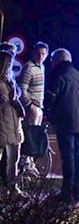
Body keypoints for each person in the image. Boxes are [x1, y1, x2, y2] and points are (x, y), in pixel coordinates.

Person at [44, 49, 79, 204]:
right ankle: (76, 191)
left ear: (58, 60)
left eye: (52, 60)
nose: (51, 63)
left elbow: (50, 99)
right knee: (77, 156)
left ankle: (66, 193)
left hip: (65, 123)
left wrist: (47, 114)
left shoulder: (58, 75)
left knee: (68, 158)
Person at [16, 42, 47, 177]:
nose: (41, 56)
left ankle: (30, 164)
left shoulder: (42, 68)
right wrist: (30, 105)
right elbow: (22, 89)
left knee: (34, 136)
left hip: (38, 107)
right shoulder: (29, 68)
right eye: (38, 53)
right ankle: (26, 164)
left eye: (43, 54)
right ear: (33, 53)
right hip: (32, 107)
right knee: (30, 137)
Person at [0, 51, 26, 196]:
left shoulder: (11, 81)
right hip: (3, 122)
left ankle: (12, 188)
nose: (10, 65)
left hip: (14, 123)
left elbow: (15, 99)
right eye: (7, 62)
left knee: (13, 159)